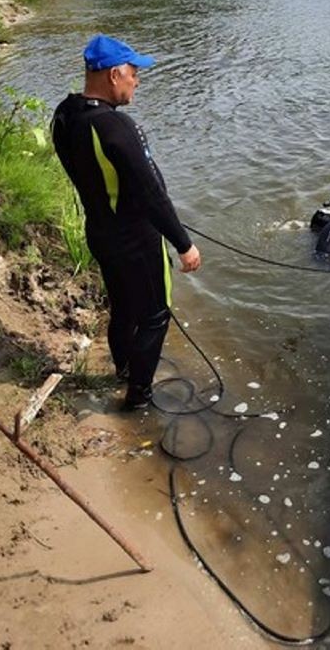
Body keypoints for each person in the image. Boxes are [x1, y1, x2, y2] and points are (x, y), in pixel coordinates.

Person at [51, 34, 201, 410]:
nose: (137, 81)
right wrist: (184, 244)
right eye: (133, 73)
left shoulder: (65, 115)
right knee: (155, 315)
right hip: (136, 239)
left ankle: (125, 372)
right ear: (114, 74)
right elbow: (151, 192)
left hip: (100, 232)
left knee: (123, 307)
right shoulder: (116, 126)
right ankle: (138, 398)